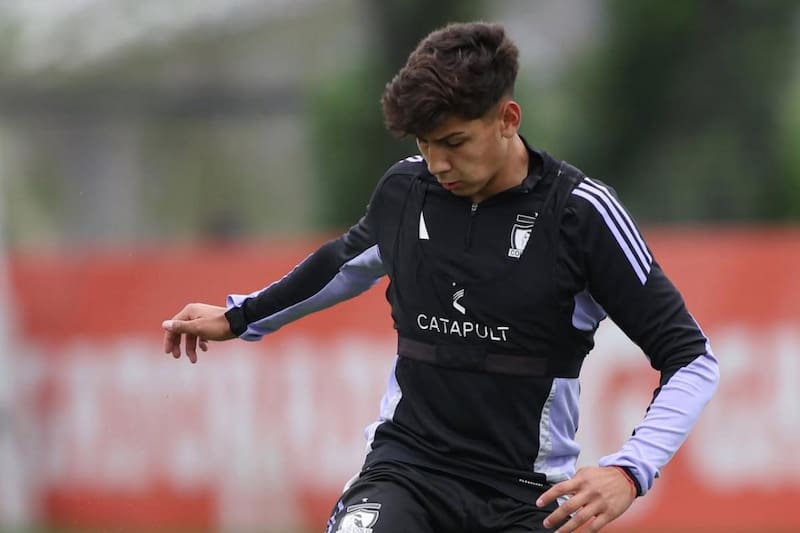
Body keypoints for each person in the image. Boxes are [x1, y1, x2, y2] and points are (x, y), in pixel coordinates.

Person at [162, 21, 719, 533]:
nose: (437, 164)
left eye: (453, 143)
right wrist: (240, 317)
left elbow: (691, 359)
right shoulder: (406, 192)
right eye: (424, 146)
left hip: (523, 495)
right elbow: (342, 263)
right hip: (405, 469)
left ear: (508, 119)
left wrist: (629, 470)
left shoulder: (579, 214)